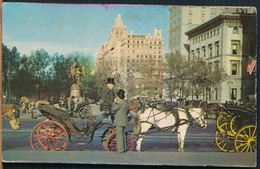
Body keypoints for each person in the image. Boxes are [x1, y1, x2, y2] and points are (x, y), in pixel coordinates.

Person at [111, 89, 129, 153]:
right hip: (124, 121)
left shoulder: (120, 104)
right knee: (123, 134)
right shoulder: (126, 103)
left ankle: (120, 150)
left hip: (119, 121)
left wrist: (114, 102)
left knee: (119, 135)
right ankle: (123, 148)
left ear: (118, 97)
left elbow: (113, 109)